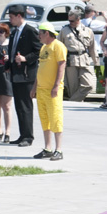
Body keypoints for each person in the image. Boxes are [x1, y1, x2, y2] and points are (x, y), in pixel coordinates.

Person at [6, 5, 40, 147]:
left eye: (12, 17)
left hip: (26, 74)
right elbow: (12, 50)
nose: (10, 20)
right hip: (15, 73)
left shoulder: (30, 31)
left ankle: (28, 136)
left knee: (26, 106)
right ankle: (22, 135)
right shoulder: (14, 32)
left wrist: (26, 58)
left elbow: (39, 51)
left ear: (19, 16)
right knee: (19, 106)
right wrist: (8, 63)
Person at [34, 23, 67, 161]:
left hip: (53, 90)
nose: (39, 36)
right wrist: (34, 87)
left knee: (55, 118)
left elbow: (61, 66)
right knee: (45, 120)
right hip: (41, 89)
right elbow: (40, 68)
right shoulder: (43, 47)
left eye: (40, 33)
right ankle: (48, 148)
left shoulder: (58, 46)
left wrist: (55, 85)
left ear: (47, 33)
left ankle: (58, 149)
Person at [59, 9, 97, 102]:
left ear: (78, 19)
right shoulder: (64, 30)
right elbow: (59, 46)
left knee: (89, 85)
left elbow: (92, 48)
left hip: (84, 59)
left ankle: (72, 102)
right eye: (69, 20)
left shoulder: (88, 31)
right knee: (73, 88)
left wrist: (96, 62)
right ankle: (76, 107)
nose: (70, 23)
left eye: (72, 21)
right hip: (71, 61)